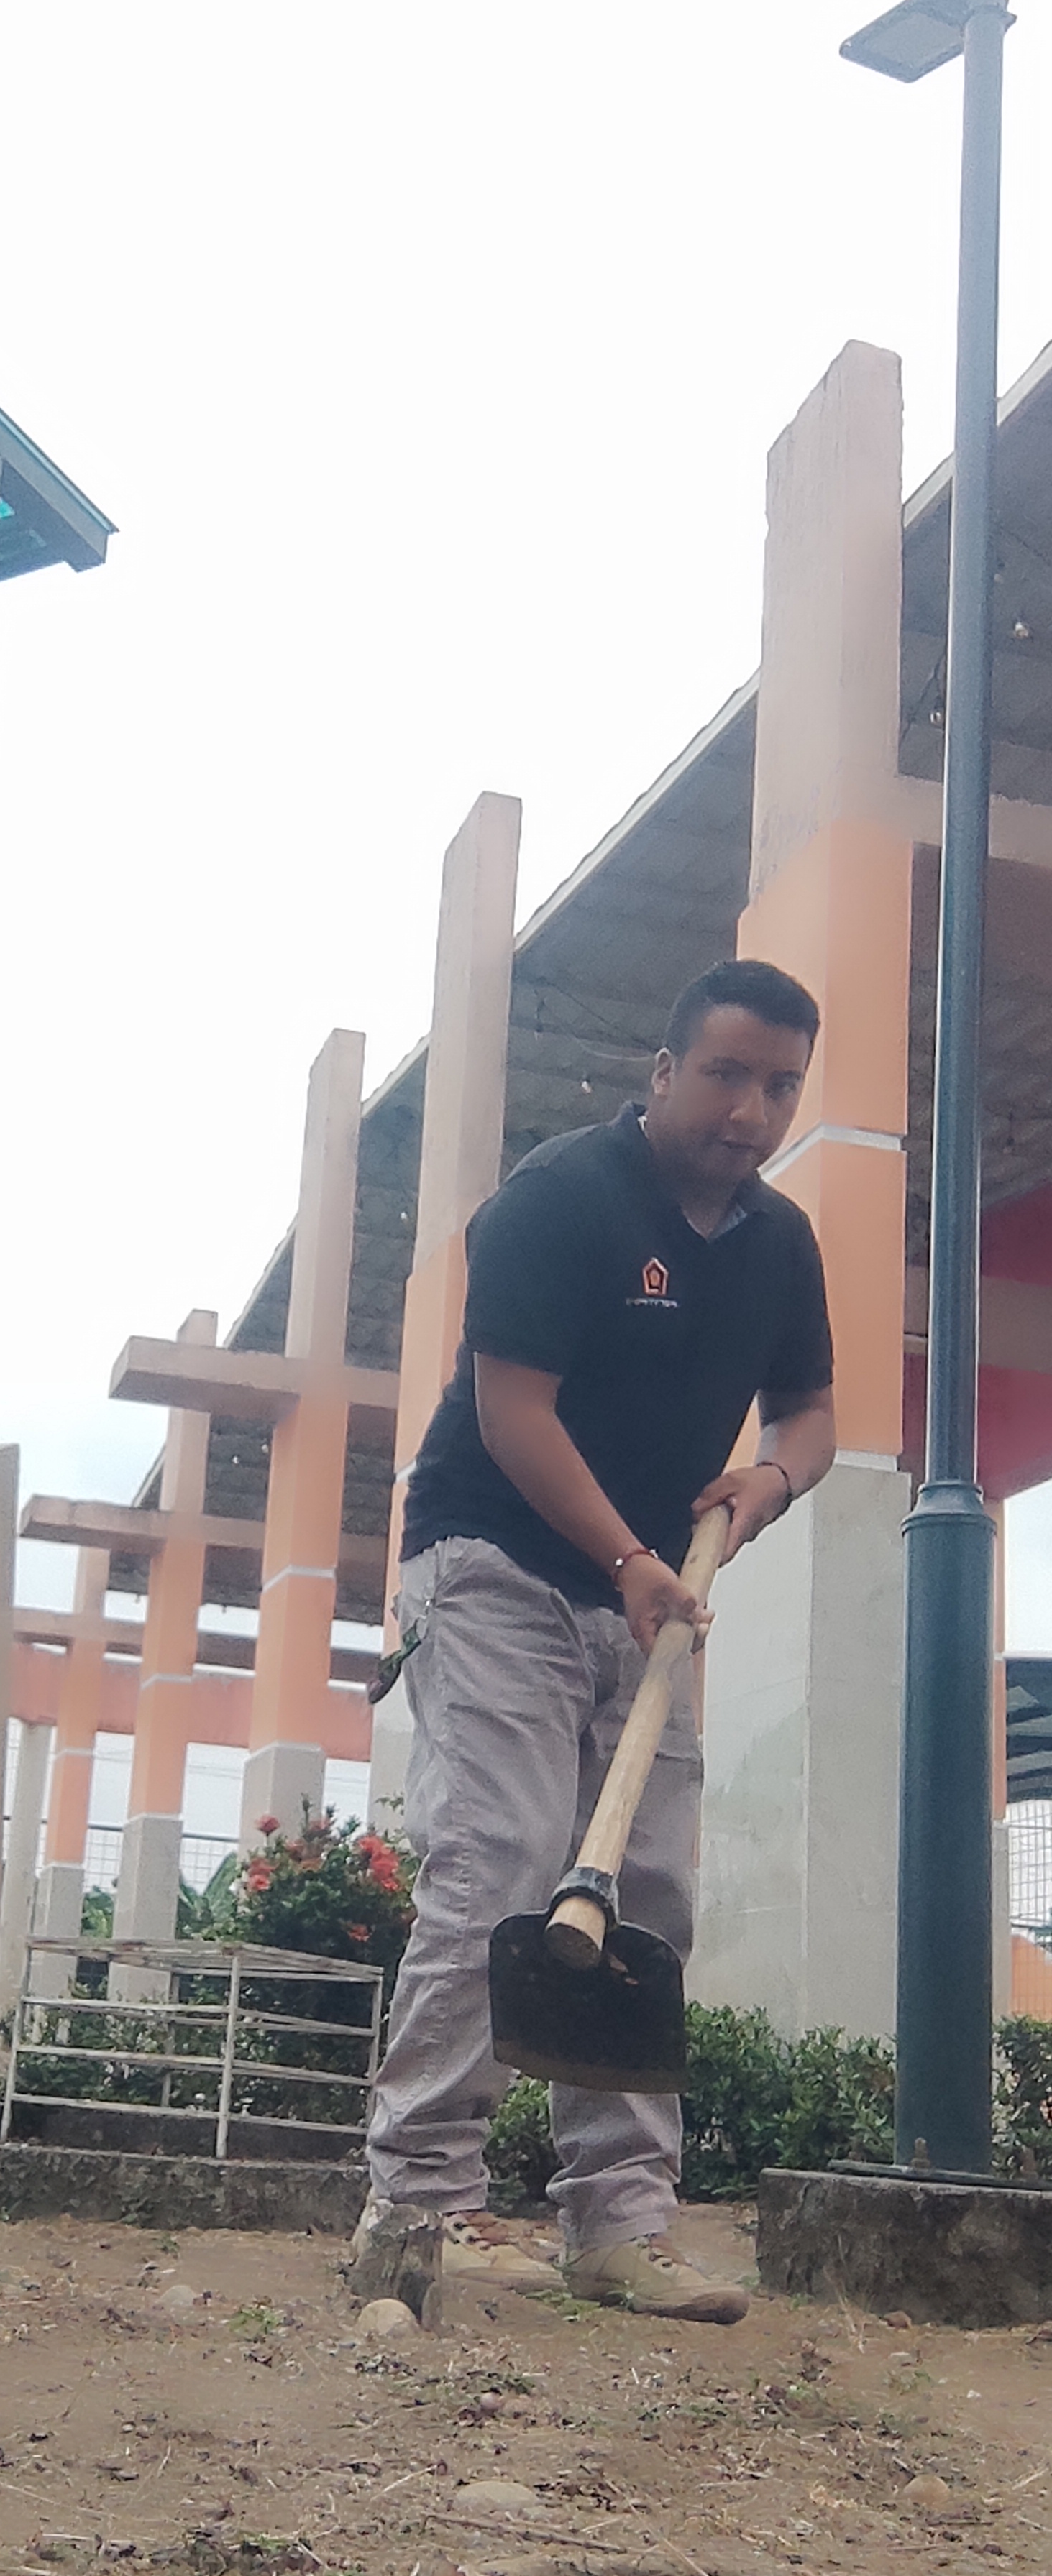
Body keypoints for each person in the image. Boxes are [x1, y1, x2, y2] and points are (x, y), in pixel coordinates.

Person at [355, 957, 836, 2322]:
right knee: (502, 1860)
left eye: (781, 1086)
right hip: (497, 1559)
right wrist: (626, 1557)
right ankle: (416, 2205)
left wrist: (770, 1481)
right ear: (666, 1072)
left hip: (651, 1593)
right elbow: (512, 1410)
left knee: (648, 1896)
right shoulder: (561, 1197)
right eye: (727, 1075)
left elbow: (812, 1416)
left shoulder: (780, 1244)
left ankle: (621, 2224)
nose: (751, 1111)